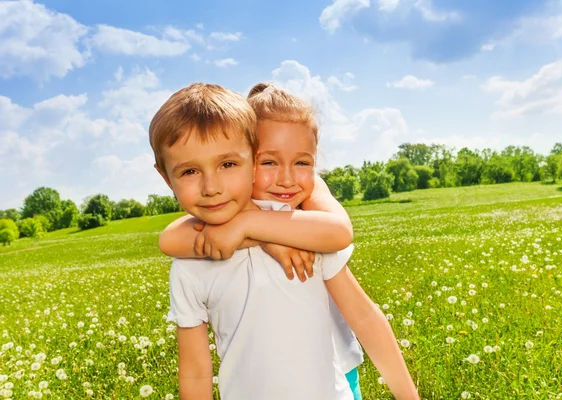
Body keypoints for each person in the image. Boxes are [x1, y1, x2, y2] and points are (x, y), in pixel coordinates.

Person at [151, 82, 419, 400]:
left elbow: (360, 306)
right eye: (269, 162)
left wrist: (252, 225)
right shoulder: (191, 265)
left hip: (331, 379)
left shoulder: (307, 229)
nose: (212, 187)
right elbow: (195, 369)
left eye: (226, 165)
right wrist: (262, 236)